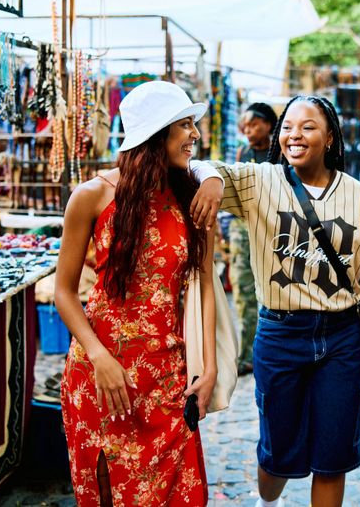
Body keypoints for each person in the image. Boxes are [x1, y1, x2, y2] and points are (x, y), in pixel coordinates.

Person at [189, 96, 360, 507]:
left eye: (308, 126)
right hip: (280, 334)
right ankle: (268, 502)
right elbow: (196, 166)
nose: (294, 135)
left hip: (343, 337)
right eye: (288, 126)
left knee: (333, 458)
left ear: (330, 138)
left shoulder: (357, 195)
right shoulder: (260, 181)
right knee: (277, 453)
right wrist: (209, 178)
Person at [55, 81, 217, 506]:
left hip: (169, 379)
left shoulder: (191, 197)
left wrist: (209, 367)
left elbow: (203, 286)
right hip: (104, 381)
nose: (195, 135)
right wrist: (98, 356)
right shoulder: (90, 196)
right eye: (185, 125)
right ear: (156, 133)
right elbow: (64, 292)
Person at [230, 102, 278, 375]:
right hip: (243, 230)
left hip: (272, 230)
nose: (248, 131)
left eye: (253, 125)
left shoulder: (281, 153)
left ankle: (270, 348)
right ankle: (246, 355)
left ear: (268, 125)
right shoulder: (243, 152)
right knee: (243, 293)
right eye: (245, 127)